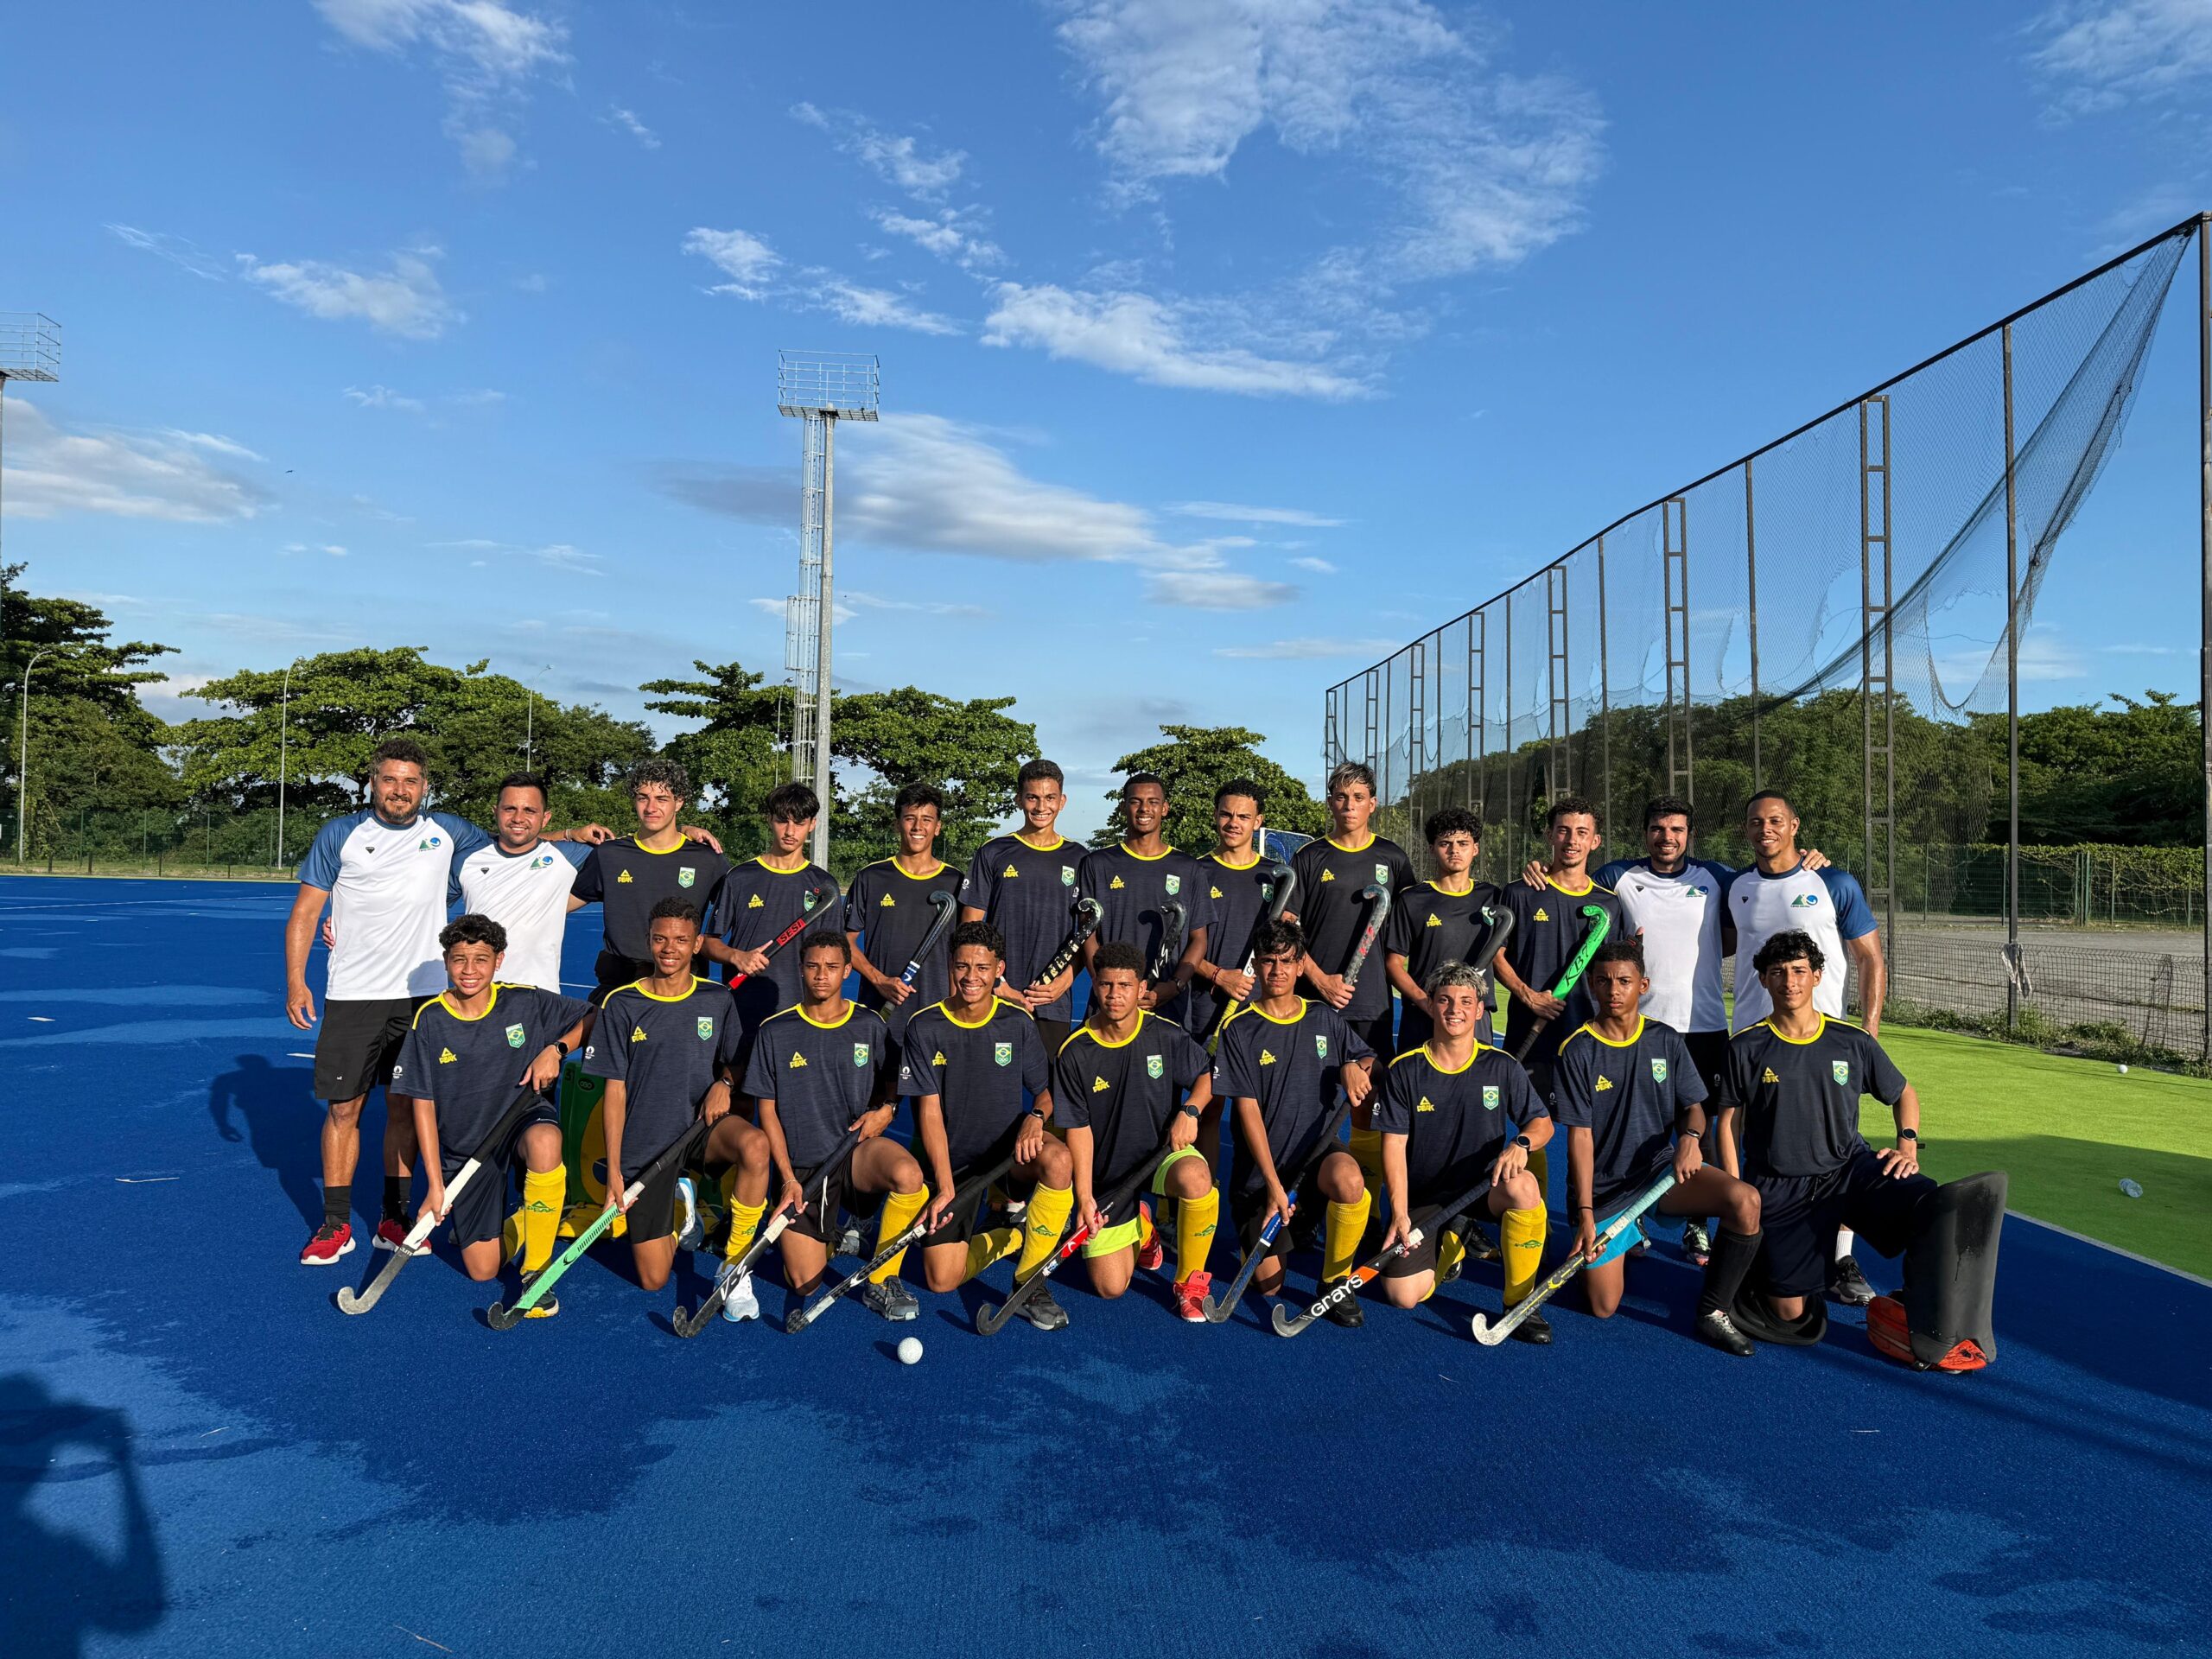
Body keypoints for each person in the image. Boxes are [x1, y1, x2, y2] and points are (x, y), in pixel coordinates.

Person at [285, 736, 609, 1265]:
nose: (400, 789)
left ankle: (400, 1216)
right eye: (390, 779)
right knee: (345, 1109)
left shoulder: (449, 832)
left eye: (410, 781)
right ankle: (336, 1224)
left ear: (425, 787)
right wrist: (298, 980)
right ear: (373, 782)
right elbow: (305, 910)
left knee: (410, 1108)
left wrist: (573, 834)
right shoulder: (343, 834)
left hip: (431, 996)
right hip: (357, 993)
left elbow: (519, 837)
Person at [1713, 930, 1936, 1340]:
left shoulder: (1851, 1041)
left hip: (1848, 1171)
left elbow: (1903, 1092)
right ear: (1763, 979)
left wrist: (1907, 1144)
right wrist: (1734, 1188)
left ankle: (1918, 1310)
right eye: (1778, 972)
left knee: (1931, 1204)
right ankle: (1767, 1274)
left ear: (1817, 976)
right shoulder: (1745, 1047)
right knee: (1791, 1315)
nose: (1789, 981)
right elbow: (1728, 1122)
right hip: (1781, 1186)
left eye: (1799, 970)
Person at [1550, 939, 1764, 1355]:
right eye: (1604, 981)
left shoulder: (1665, 1040)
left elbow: (1694, 1108)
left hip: (1659, 1173)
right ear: (1591, 986)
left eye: (1624, 981)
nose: (1614, 990)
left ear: (1643, 985)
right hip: (1605, 1189)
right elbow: (1580, 1138)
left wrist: (1690, 1139)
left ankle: (1714, 1309)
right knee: (1603, 1306)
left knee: (1746, 1201)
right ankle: (1621, 1230)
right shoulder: (1576, 1050)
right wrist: (1586, 1212)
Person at [1726, 789, 1886, 1305]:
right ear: (1746, 829)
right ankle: (1748, 1241)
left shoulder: (1834, 882)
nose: (1765, 829)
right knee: (1753, 1145)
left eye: (1776, 820)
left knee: (1836, 1150)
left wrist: (1868, 1031)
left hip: (1824, 1042)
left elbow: (1870, 959)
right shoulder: (1734, 886)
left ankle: (1840, 1257)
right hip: (1753, 1041)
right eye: (1756, 821)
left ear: (1795, 826)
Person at [390, 914, 595, 1315]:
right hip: (468, 1149)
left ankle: (537, 1272)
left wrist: (556, 1049)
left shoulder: (525, 1001)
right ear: (446, 961)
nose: (470, 970)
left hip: (521, 1120)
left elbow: (593, 1016)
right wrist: (434, 1185)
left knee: (545, 1141)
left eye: (481, 959)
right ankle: (529, 1215)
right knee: (483, 1270)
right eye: (459, 959)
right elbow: (422, 1105)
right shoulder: (429, 1020)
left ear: (499, 960)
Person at [904, 921, 1077, 1329]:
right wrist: (945, 1186)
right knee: (941, 1279)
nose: (971, 977)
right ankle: (1013, 1236)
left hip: (1006, 1156)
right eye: (962, 966)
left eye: (982, 967)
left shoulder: (1017, 1022)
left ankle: (1030, 1281)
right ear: (951, 965)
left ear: (999, 969)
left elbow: (1046, 1093)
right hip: (956, 1165)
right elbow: (929, 1114)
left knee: (1059, 1160)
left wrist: (1036, 1118)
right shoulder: (924, 1026)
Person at [744, 931, 924, 1320]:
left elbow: (894, 1076)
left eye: (831, 967)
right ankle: (828, 1234)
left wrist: (889, 1108)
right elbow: (767, 1113)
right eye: (812, 966)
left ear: (846, 971)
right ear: (800, 969)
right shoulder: (775, 1031)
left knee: (909, 1175)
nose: (821, 975)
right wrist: (787, 1179)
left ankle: (882, 1279)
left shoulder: (869, 1024)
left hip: (854, 1155)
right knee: (804, 1283)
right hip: (806, 1169)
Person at [1374, 960, 1553, 1340]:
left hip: (1482, 1188)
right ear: (1431, 1005)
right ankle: (1450, 1241)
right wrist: (1400, 1214)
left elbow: (1542, 1124)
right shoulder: (1405, 1070)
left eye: (1465, 1001)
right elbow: (1393, 1147)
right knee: (1402, 1295)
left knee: (1525, 1187)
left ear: (1479, 1010)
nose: (1455, 1010)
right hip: (1427, 1196)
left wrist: (1522, 1143)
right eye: (1445, 1000)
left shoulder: (1501, 1066)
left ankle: (1520, 1303)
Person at [581, 899, 751, 1298]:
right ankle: (680, 1208)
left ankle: (735, 1264)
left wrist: (725, 1083)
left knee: (755, 1147)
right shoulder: (622, 1003)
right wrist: (615, 1173)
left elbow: (739, 1061)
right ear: (649, 941)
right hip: (649, 1145)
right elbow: (614, 1091)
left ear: (697, 945)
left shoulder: (717, 999)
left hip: (699, 1131)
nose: (669, 948)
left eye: (680, 940)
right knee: (653, 1279)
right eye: (660, 939)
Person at [1212, 919, 1375, 1322]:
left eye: (1286, 961)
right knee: (1269, 1285)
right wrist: (1272, 1186)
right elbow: (1247, 1111)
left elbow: (1366, 1059)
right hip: (1261, 1174)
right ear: (1256, 965)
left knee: (1350, 1180)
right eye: (1268, 961)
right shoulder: (1238, 1029)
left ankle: (1334, 1282)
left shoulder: (1324, 1018)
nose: (1277, 970)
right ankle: (1280, 1224)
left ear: (1301, 966)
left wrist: (1354, 1066)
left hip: (1316, 1158)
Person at [1052, 941, 1220, 1321]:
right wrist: (1084, 1197)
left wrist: (1191, 1110)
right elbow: (1078, 1129)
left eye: (1125, 985)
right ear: (1095, 986)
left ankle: (1190, 1283)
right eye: (1106, 985)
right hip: (1110, 1177)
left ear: (1142, 988)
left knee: (1197, 1177)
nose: (1115, 995)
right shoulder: (1075, 1052)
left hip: (1160, 1156)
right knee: (1110, 1287)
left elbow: (1207, 1075)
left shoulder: (1165, 1034)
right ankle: (1142, 1226)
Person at [1283, 761, 1419, 1193]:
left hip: (1370, 1002)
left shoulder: (1393, 859)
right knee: (1310, 1099)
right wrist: (1320, 978)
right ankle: (1306, 1199)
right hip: (1313, 1001)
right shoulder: (1310, 857)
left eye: (1358, 797)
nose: (1349, 805)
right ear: (1330, 802)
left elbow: (1414, 921)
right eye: (1341, 797)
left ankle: (1367, 1207)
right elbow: (1288, 928)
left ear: (1373, 804)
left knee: (1368, 1099)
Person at [1491, 796, 1626, 1203]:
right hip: (1531, 1032)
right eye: (1564, 831)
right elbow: (1496, 955)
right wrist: (1527, 995)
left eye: (1582, 832)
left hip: (1589, 1036)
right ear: (1550, 835)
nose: (1572, 840)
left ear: (1595, 841)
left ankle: (1591, 1211)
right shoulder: (1520, 892)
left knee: (1591, 1130)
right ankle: (1533, 1215)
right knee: (1532, 1126)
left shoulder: (1609, 903)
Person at [569, 759, 734, 1002]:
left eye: (662, 799)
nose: (650, 807)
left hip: (683, 989)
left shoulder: (707, 859)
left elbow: (740, 910)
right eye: (643, 798)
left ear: (679, 802)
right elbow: (560, 903)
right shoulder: (609, 855)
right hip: (620, 987)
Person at [846, 782, 964, 1099]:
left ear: (938, 827)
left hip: (936, 1013)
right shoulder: (871, 877)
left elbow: (964, 954)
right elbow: (845, 942)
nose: (918, 827)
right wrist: (879, 980)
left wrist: (957, 1008)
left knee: (935, 1109)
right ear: (897, 823)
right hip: (881, 1013)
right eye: (910, 818)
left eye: (927, 819)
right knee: (877, 1107)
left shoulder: (956, 882)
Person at [961, 759, 1086, 1055]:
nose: (1042, 806)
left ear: (1062, 801)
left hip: (1052, 1001)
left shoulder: (1080, 858)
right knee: (991, 1078)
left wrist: (1064, 982)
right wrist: (998, 984)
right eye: (1032, 797)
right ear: (1019, 799)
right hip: (996, 995)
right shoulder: (994, 852)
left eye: (1050, 798)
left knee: (1049, 1081)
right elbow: (969, 929)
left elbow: (1088, 934)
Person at [720, 782, 843, 1072]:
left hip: (801, 1010)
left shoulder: (824, 885)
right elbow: (709, 942)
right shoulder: (740, 877)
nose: (790, 831)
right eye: (782, 821)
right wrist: (738, 956)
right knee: (735, 1088)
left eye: (799, 823)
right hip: (742, 1005)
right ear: (769, 820)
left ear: (812, 825)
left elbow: (835, 956)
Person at [1079, 772, 1212, 1026]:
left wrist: (1175, 985)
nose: (1144, 809)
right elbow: (1087, 935)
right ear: (1123, 807)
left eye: (1153, 802)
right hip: (1110, 1004)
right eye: (1135, 801)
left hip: (1168, 1004)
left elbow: (1199, 939)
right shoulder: (1097, 864)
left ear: (1165, 808)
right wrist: (1105, 984)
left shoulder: (1189, 868)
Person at [451, 773, 590, 995]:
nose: (518, 818)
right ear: (495, 811)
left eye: (529, 811)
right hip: (476, 993)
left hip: (539, 996)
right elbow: (431, 910)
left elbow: (621, 862)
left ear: (545, 818)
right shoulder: (466, 859)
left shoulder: (569, 856)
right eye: (510, 809)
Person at [1384, 807, 1503, 1055]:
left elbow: (1502, 956)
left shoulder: (1493, 897)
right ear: (1432, 849)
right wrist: (1425, 1002)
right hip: (1423, 1016)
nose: (1454, 850)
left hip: (1474, 1016)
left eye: (1463, 843)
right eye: (1445, 843)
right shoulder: (1413, 899)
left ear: (1475, 849)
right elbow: (1394, 964)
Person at [1185, 779, 1280, 1040]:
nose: (1233, 823)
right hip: (1206, 1007)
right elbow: (1180, 946)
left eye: (1244, 816)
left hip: (1262, 1005)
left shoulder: (1277, 876)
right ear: (1215, 815)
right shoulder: (1195, 872)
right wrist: (1219, 976)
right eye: (1226, 814)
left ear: (1258, 822)